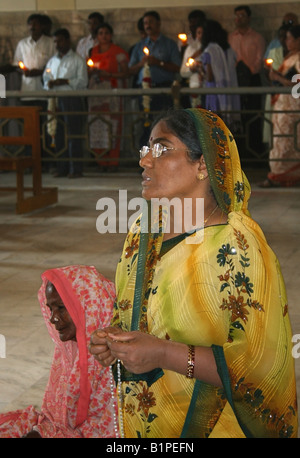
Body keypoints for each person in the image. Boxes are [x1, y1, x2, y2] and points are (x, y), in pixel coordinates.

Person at [89, 107, 298, 438]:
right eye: (146, 150)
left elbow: (260, 367)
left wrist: (163, 353)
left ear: (203, 163)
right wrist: (116, 340)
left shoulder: (237, 245)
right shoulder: (143, 230)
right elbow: (135, 312)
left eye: (162, 148)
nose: (145, 161)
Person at [0, 265, 117, 438]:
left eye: (61, 308)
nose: (53, 318)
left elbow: (110, 431)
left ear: (88, 305)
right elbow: (54, 419)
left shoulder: (115, 357)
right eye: (51, 309)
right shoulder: (69, 350)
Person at [129, 11, 181, 147]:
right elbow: (130, 70)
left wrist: (158, 63)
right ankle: (145, 158)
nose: (148, 25)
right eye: (145, 23)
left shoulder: (169, 44)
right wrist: (142, 63)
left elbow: (177, 67)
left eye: (151, 22)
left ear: (158, 24)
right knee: (145, 124)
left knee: (164, 124)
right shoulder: (139, 46)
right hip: (145, 91)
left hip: (163, 89)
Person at [43, 28, 88, 178]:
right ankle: (61, 167)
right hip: (55, 100)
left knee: (73, 135)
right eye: (55, 41)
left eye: (60, 40)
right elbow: (45, 78)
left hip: (71, 99)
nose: (57, 44)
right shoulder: (52, 61)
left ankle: (75, 168)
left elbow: (83, 82)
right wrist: (49, 84)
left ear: (68, 41)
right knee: (58, 133)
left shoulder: (77, 60)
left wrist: (66, 81)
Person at [12, 14, 56, 166]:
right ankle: (30, 161)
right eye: (30, 24)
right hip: (28, 91)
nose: (32, 27)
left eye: (35, 24)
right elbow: (17, 64)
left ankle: (46, 161)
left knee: (46, 128)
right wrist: (23, 70)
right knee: (29, 130)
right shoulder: (23, 44)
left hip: (44, 91)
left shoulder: (50, 43)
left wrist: (41, 71)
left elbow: (54, 63)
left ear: (42, 26)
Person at [260, 24, 300, 187]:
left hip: (292, 108)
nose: (286, 41)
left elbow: (297, 85)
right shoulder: (291, 56)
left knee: (286, 143)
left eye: (290, 38)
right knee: (281, 141)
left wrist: (278, 77)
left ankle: (278, 175)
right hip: (283, 106)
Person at [87, 22, 129, 170]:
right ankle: (100, 160)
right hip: (96, 94)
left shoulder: (118, 52)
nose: (103, 36)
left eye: (106, 33)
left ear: (111, 35)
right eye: (100, 33)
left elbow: (125, 73)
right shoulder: (93, 52)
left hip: (112, 93)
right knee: (97, 126)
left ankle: (112, 161)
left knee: (113, 126)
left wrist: (109, 74)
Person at [228, 5, 265, 158]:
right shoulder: (230, 37)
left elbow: (259, 61)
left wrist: (247, 71)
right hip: (235, 80)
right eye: (237, 15)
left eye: (242, 15)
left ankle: (254, 151)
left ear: (248, 18)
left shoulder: (257, 37)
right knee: (238, 116)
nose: (239, 19)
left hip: (251, 79)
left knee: (252, 114)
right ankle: (239, 152)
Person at [199, 20, 240, 132]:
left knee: (215, 127)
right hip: (229, 90)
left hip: (214, 93)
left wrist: (200, 70)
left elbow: (210, 77)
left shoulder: (209, 51)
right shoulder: (228, 50)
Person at [180, 22, 205, 109]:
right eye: (199, 33)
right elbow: (183, 73)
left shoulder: (212, 49)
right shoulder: (190, 49)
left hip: (208, 89)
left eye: (204, 33)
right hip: (194, 87)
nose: (201, 36)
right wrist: (192, 70)